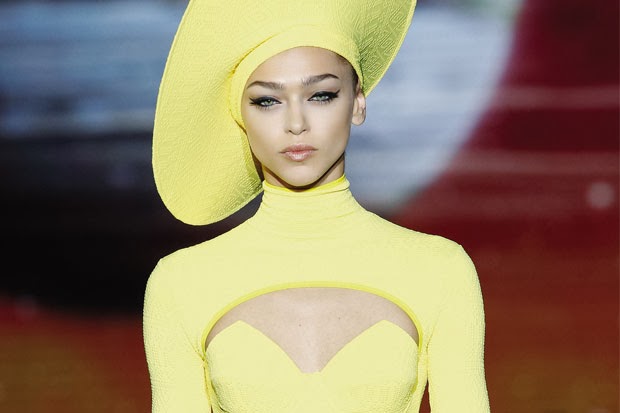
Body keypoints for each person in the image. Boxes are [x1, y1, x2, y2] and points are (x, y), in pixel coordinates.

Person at [142, 0, 490, 412]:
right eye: (267, 101)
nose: (296, 123)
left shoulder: (440, 270)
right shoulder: (181, 283)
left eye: (321, 95)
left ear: (358, 102)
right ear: (239, 114)